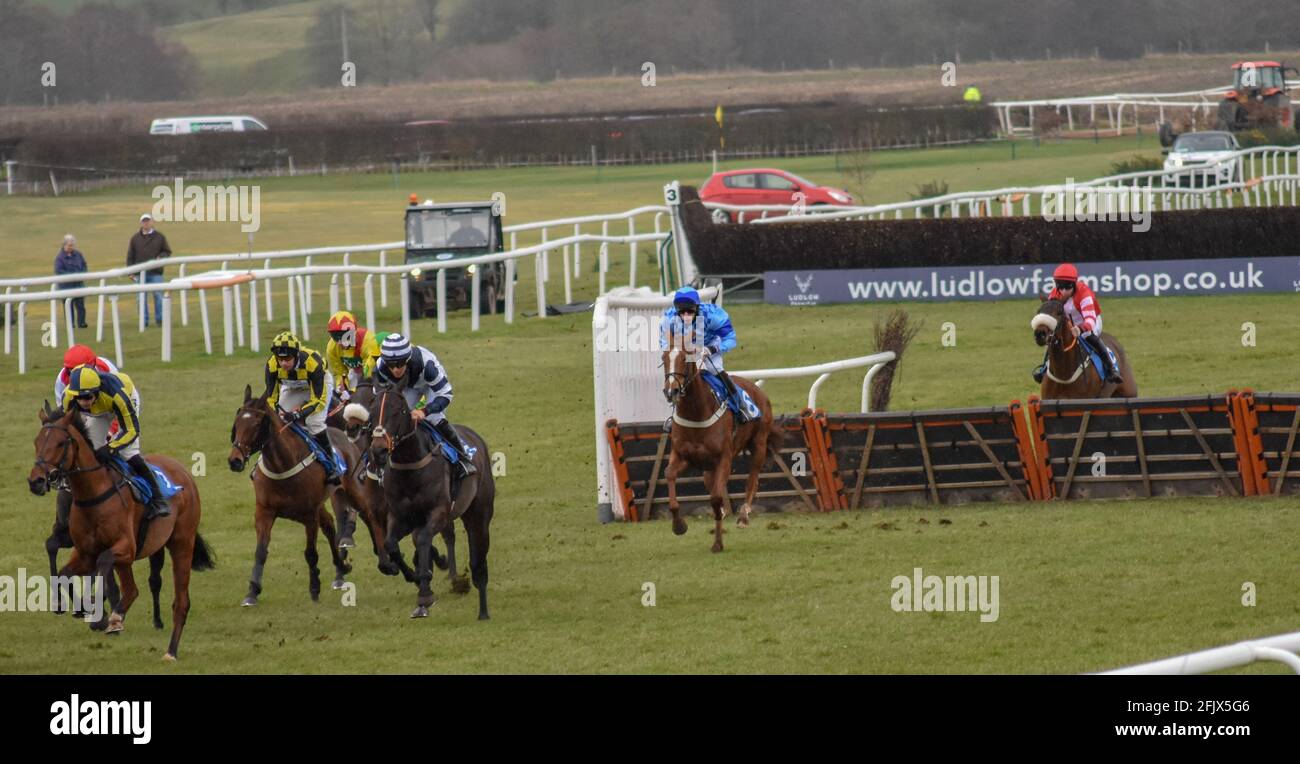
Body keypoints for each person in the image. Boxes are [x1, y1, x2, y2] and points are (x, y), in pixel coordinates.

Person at [62, 365, 169, 519]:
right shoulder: (68, 397)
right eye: (79, 398)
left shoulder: (118, 396)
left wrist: (111, 448)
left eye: (87, 397)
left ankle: (159, 499)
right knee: (90, 451)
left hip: (124, 401)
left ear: (96, 391)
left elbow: (131, 430)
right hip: (99, 412)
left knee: (128, 453)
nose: (83, 402)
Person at [373, 333, 477, 478]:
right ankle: (376, 462)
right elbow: (380, 398)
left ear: (408, 359)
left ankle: (463, 458)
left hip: (430, 386)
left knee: (434, 417)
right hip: (407, 387)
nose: (396, 369)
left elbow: (446, 394)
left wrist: (425, 410)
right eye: (391, 365)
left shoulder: (426, 364)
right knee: (396, 417)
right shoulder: (380, 368)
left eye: (400, 363)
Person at [658, 286, 748, 423]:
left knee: (714, 369)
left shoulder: (714, 315)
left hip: (710, 344)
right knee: (677, 374)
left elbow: (730, 339)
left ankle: (740, 406)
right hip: (684, 348)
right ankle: (674, 415)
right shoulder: (668, 318)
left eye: (690, 311)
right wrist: (677, 352)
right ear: (676, 310)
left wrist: (712, 349)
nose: (686, 315)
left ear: (697, 307)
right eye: (682, 312)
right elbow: (664, 343)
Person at [263, 332, 342, 485]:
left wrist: (298, 414)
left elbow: (317, 400)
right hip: (293, 386)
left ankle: (332, 466)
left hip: (318, 385)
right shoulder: (272, 365)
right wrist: (276, 413)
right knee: (278, 419)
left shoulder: (313, 363)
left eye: (287, 359)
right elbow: (271, 398)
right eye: (280, 359)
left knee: (314, 422)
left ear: (296, 355)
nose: (283, 363)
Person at [1033, 264, 1123, 385]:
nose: (1064, 292)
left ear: (1074, 284)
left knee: (1089, 337)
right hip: (1069, 323)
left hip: (1088, 322)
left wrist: (1080, 329)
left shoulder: (1084, 294)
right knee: (1053, 339)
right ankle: (1044, 368)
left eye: (1067, 287)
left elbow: (1090, 320)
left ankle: (1111, 368)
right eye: (1061, 287)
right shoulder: (1055, 293)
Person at [126, 213, 172, 327]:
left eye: (148, 221)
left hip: (156, 273)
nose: (146, 223)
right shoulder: (135, 238)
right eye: (144, 221)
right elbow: (130, 256)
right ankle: (144, 321)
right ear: (141, 223)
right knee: (140, 298)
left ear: (152, 222)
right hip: (139, 274)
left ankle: (160, 320)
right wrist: (130, 271)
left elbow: (167, 251)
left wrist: (160, 257)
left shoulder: (160, 237)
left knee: (159, 297)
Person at [325, 310, 381, 399]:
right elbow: (339, 373)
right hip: (357, 371)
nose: (340, 343)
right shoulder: (332, 347)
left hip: (377, 372)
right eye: (336, 337)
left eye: (345, 337)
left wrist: (352, 392)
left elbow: (367, 374)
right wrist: (343, 388)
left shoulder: (369, 341)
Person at [54, 235, 88, 328]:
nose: (71, 247)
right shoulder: (60, 257)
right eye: (69, 245)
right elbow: (59, 270)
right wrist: (71, 275)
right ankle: (70, 324)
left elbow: (84, 265)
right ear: (64, 245)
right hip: (66, 286)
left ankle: (81, 323)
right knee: (68, 306)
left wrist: (82, 273)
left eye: (72, 245)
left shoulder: (78, 254)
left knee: (81, 305)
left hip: (78, 284)